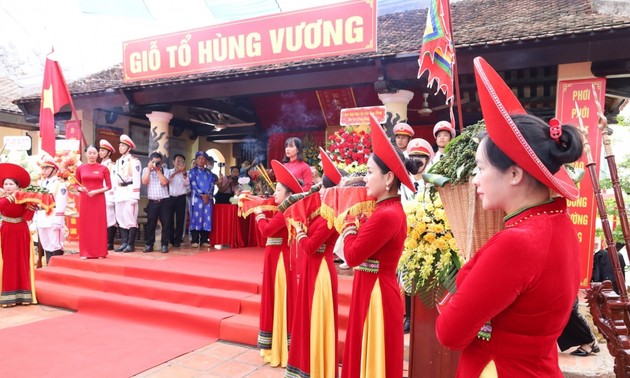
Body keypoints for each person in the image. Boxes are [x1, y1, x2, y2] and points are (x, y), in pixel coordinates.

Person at [435, 57, 584, 377]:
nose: (475, 179)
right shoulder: (559, 223)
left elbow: (449, 332)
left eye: (482, 168)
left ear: (514, 173)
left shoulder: (517, 242)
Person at [339, 118, 419, 378]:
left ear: (388, 177)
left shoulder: (386, 214)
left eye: (370, 171)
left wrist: (349, 221)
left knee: (371, 357)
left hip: (375, 294)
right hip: (372, 288)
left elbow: (351, 256)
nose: (365, 177)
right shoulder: (385, 210)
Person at [284, 147, 341, 378]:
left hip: (320, 273)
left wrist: (299, 230)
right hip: (313, 269)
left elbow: (309, 246)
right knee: (306, 318)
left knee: (315, 321)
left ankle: (316, 368)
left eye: (320, 184)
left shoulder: (329, 215)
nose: (316, 189)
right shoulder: (321, 212)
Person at [253, 159, 301, 368]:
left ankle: (280, 348)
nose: (275, 193)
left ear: (288, 193)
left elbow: (266, 231)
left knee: (279, 300)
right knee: (275, 300)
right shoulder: (284, 208)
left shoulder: (285, 211)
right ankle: (276, 346)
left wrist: (259, 215)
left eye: (279, 190)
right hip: (276, 257)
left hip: (280, 259)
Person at [399, 137, 434, 333]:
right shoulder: (403, 183)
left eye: (421, 157)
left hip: (429, 234)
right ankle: (409, 317)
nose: (417, 160)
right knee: (407, 275)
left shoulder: (433, 180)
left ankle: (425, 316)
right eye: (413, 156)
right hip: (408, 234)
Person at [0, 163, 38, 307]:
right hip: (6, 230)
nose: (8, 186)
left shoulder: (24, 198)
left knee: (22, 260)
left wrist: (33, 206)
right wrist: (11, 197)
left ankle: (24, 295)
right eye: (5, 184)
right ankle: (7, 296)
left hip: (21, 231)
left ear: (17, 186)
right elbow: (1, 206)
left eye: (11, 184)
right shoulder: (3, 198)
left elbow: (27, 217)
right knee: (8, 261)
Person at [75, 145, 112, 259]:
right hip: (85, 199)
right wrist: (80, 188)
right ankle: (85, 252)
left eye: (94, 153)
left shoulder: (103, 168)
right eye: (90, 153)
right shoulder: (80, 168)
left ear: (98, 154)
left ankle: (100, 252)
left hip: (98, 199)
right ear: (86, 154)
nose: (92, 155)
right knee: (85, 224)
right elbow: (76, 183)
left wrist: (96, 191)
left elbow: (109, 186)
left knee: (99, 225)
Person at [34, 156, 68, 264]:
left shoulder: (60, 184)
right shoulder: (42, 183)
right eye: (42, 168)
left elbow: (61, 202)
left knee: (55, 244)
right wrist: (36, 217)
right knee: (46, 243)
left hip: (53, 216)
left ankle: (57, 268)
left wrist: (59, 219)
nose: (43, 171)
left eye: (46, 168)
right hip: (42, 215)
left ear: (54, 169)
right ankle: (49, 266)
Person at [113, 134, 142, 253]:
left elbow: (136, 179)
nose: (120, 148)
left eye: (123, 146)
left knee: (130, 218)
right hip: (120, 192)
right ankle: (124, 243)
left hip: (129, 191)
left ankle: (131, 244)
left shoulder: (134, 161)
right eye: (120, 145)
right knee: (121, 218)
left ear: (129, 148)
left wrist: (135, 196)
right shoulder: (118, 161)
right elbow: (115, 178)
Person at [141, 152, 171, 253]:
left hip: (164, 201)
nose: (155, 164)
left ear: (161, 162)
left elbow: (164, 182)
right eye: (153, 162)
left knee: (166, 224)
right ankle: (149, 244)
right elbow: (144, 182)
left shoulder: (165, 171)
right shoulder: (146, 170)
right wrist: (149, 169)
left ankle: (164, 245)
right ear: (150, 161)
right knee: (151, 224)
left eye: (157, 162)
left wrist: (158, 171)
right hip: (152, 202)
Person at [189, 151, 216, 248]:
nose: (201, 160)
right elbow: (193, 185)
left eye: (203, 158)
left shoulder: (209, 173)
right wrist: (202, 195)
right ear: (196, 160)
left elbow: (212, 185)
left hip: (208, 200)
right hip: (197, 199)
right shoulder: (192, 172)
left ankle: (204, 240)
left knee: (206, 218)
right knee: (196, 218)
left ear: (206, 161)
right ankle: (194, 240)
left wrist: (208, 195)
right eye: (199, 158)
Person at [98, 139, 117, 250]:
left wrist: (111, 195)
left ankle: (110, 243)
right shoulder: (100, 165)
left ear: (109, 153)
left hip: (108, 195)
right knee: (102, 219)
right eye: (100, 150)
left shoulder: (112, 165)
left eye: (103, 150)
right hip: (100, 195)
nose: (100, 152)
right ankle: (103, 241)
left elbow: (113, 181)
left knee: (110, 219)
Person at [167, 154, 189, 247]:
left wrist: (183, 173)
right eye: (178, 161)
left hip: (181, 198)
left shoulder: (185, 173)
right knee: (169, 219)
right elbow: (167, 181)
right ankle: (171, 239)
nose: (180, 163)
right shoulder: (168, 171)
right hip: (170, 198)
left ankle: (178, 240)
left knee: (180, 220)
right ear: (173, 162)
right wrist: (176, 172)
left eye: (182, 161)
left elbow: (187, 183)